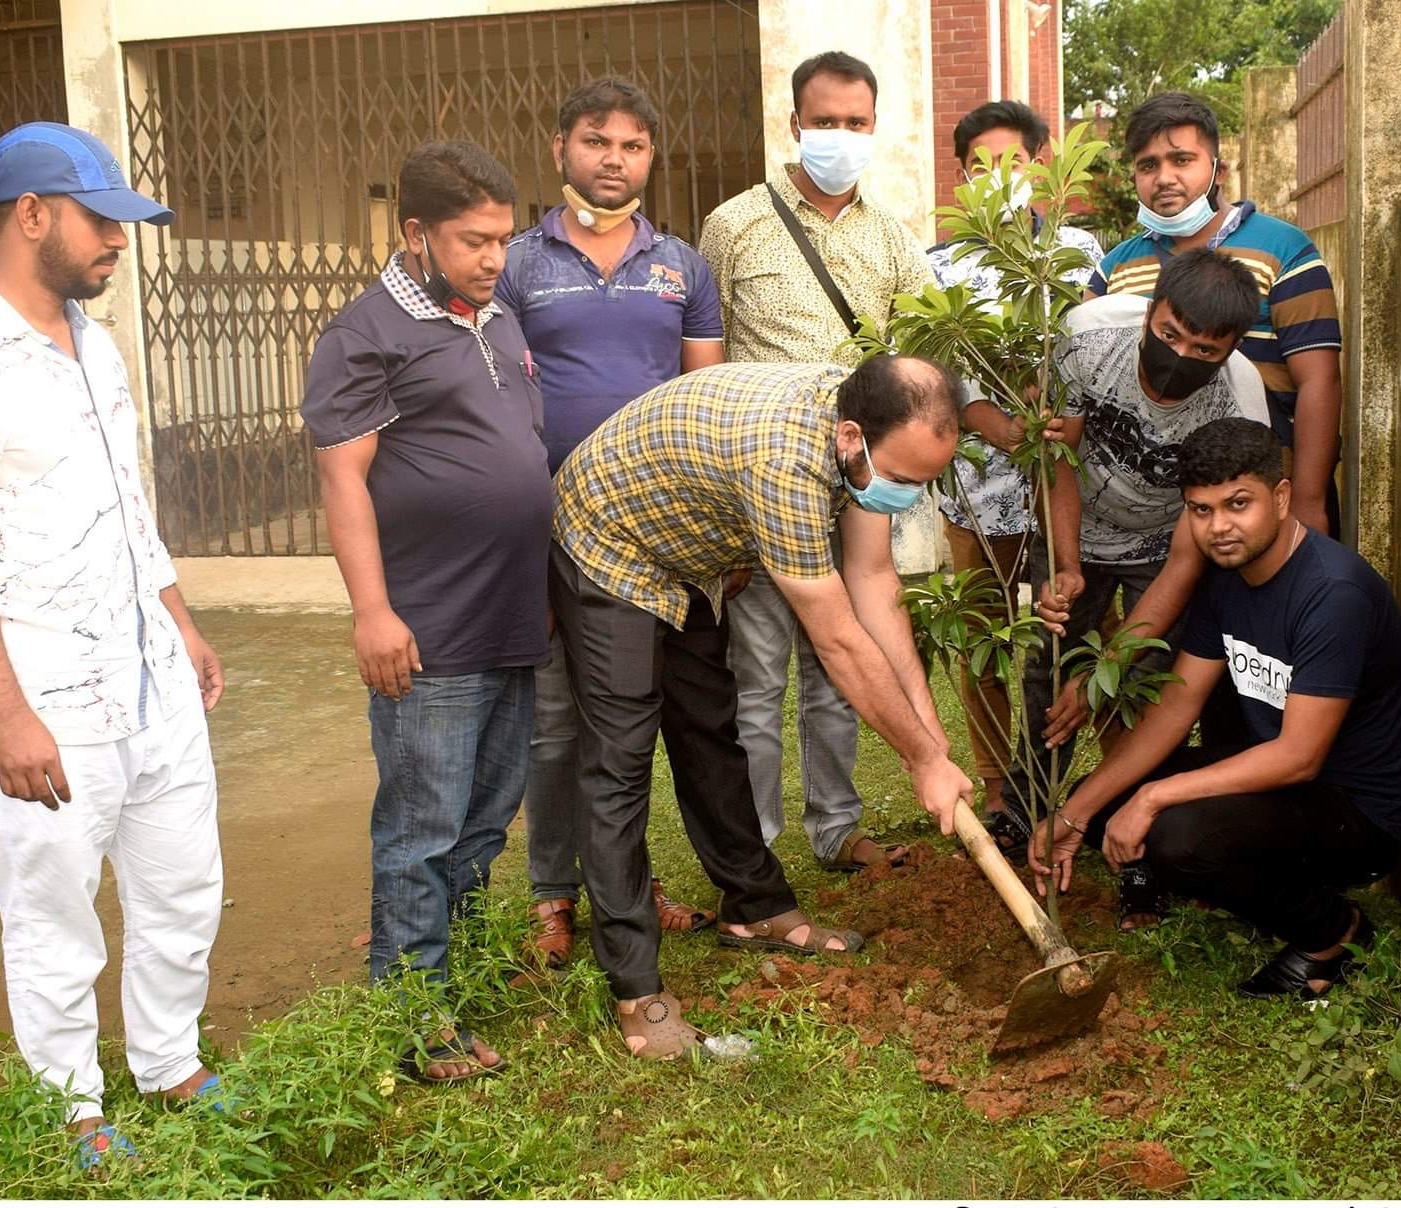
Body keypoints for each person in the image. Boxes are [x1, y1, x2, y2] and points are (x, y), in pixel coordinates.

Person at [0, 122, 228, 1167]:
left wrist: (175, 613)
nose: (120, 244)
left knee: (184, 881)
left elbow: (126, 499)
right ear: (31, 215)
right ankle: (72, 1103)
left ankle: (170, 1058)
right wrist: (5, 711)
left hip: (147, 666)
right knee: (54, 910)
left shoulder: (95, 342)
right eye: (102, 222)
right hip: (43, 685)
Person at [549, 355, 976, 1059]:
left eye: (924, 483)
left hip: (692, 551)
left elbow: (873, 585)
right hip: (612, 539)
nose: (909, 497)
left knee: (710, 731)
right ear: (849, 437)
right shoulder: (784, 460)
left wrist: (931, 746)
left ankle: (756, 908)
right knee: (620, 764)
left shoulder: (867, 433)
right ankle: (635, 986)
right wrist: (921, 758)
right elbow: (839, 640)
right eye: (902, 481)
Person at [302, 140, 551, 1083]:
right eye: (472, 240)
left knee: (485, 821)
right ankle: (412, 1022)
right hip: (428, 631)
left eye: (502, 238)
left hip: (511, 619)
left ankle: (452, 983)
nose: (494, 257)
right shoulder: (365, 335)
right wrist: (372, 611)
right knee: (421, 831)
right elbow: (344, 482)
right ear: (415, 234)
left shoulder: (498, 318)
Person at [1030, 418, 1401, 999]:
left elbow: (1297, 757)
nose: (1219, 527)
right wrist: (1073, 817)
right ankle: (1162, 856)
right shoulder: (1228, 579)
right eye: (1201, 510)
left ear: (1282, 496)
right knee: (1106, 793)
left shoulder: (1333, 594)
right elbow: (1176, 706)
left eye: (1237, 504)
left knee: (1179, 836)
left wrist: (1155, 796)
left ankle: (1333, 935)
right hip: (1283, 784)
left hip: (1359, 813)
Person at [495, 77, 725, 967]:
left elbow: (701, 397)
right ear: (561, 150)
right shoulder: (519, 263)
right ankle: (554, 895)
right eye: (596, 141)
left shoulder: (682, 265)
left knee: (634, 718)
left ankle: (626, 882)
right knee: (558, 722)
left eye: (631, 145)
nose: (613, 159)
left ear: (649, 157)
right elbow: (499, 399)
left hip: (655, 531)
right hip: (551, 527)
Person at [697, 51, 934, 873]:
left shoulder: (895, 241)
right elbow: (707, 356)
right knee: (757, 683)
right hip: (762, 487)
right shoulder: (733, 226)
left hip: (856, 491)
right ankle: (757, 851)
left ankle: (838, 829)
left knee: (840, 675)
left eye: (855, 123)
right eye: (824, 121)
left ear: (875, 128)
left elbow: (914, 362)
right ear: (795, 125)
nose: (839, 135)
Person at [994, 252, 1269, 875]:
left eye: (1204, 350)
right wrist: (1066, 565)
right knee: (1050, 676)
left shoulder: (1236, 402)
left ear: (1230, 351)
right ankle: (1024, 811)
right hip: (1076, 525)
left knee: (1151, 688)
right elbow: (1056, 456)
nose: (1180, 356)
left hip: (1163, 544)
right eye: (1170, 335)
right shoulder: (1085, 341)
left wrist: (1107, 670)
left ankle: (1134, 829)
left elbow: (1185, 554)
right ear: (1150, 312)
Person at [927, 99, 1104, 810]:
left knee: (1082, 627)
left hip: (1066, 475)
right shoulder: (936, 264)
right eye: (978, 167)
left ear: (1038, 163)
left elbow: (1095, 355)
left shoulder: (1079, 251)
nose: (995, 177)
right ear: (960, 178)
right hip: (975, 484)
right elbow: (936, 365)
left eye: (1011, 162)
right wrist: (992, 422)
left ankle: (1080, 777)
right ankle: (999, 787)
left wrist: (1062, 423)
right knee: (985, 641)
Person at [1089, 91, 1344, 538]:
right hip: (1151, 508)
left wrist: (1307, 499)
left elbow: (1319, 380)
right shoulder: (1114, 267)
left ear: (1217, 170)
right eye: (1148, 165)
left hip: (1257, 496)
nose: (1164, 177)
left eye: (1181, 159)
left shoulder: (1284, 250)